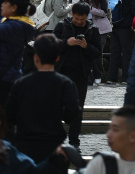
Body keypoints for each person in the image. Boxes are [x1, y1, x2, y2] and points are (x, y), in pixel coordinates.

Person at [5, 34, 80, 162]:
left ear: (36, 58)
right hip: (53, 144)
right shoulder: (65, 83)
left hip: (25, 144)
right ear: (57, 58)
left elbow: (10, 115)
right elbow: (72, 114)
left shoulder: (21, 83)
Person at [54, 2, 101, 148]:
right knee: (57, 107)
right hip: (61, 72)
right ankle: (57, 140)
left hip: (81, 73)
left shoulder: (92, 29)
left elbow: (97, 53)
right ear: (71, 14)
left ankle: (74, 142)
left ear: (87, 17)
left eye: (82, 19)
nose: (79, 22)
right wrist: (66, 43)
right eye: (76, 19)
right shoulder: (62, 26)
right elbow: (52, 46)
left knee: (78, 109)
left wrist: (86, 47)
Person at [0, 0, 36, 108]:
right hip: (10, 77)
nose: (2, 5)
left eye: (5, 2)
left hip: (4, 80)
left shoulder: (11, 27)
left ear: (13, 7)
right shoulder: (20, 25)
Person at [108, 0, 135, 84]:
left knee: (115, 52)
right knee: (127, 52)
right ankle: (126, 78)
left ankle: (111, 77)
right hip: (126, 27)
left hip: (115, 25)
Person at [81, 0, 112, 85]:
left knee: (98, 52)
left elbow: (104, 12)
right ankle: (90, 76)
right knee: (87, 51)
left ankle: (98, 75)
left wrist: (89, 8)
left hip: (100, 28)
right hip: (87, 27)